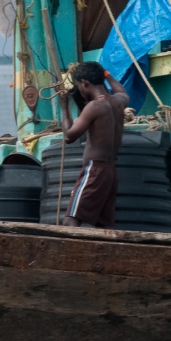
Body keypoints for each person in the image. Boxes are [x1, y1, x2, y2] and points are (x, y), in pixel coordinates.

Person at [59, 62, 129, 229]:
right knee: (104, 227)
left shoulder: (94, 106)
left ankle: (70, 256)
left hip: (94, 170)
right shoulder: (119, 101)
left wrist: (64, 105)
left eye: (80, 86)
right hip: (110, 171)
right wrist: (105, 72)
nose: (81, 91)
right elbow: (121, 90)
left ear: (85, 83)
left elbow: (69, 136)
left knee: (70, 220)